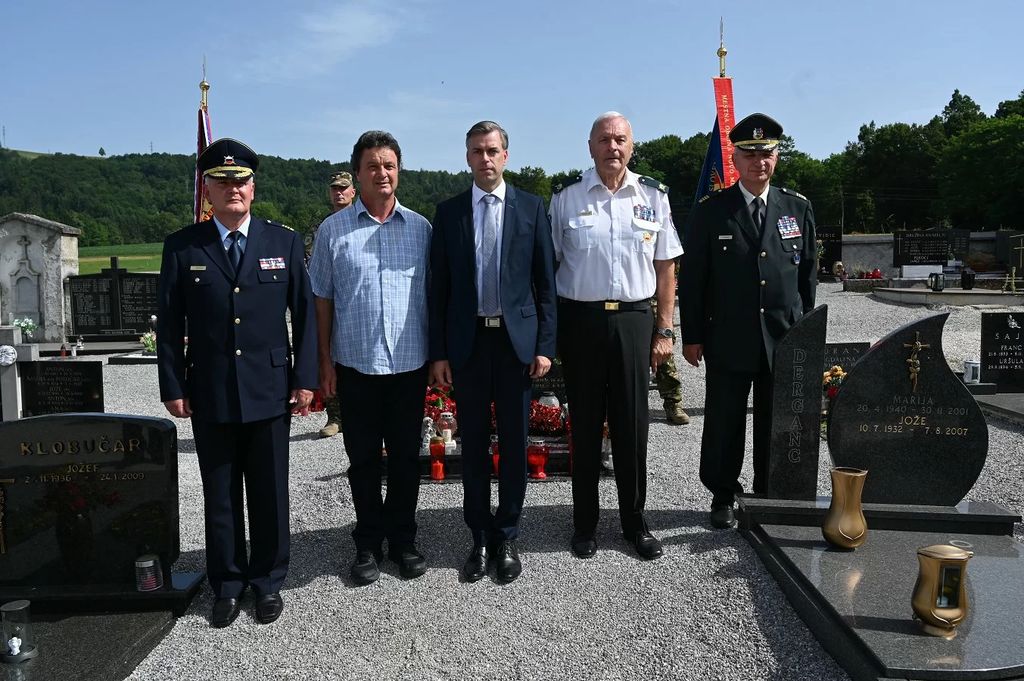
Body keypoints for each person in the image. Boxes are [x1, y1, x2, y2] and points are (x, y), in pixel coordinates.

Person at [157, 138, 317, 627]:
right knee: (221, 493)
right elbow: (169, 323)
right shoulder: (184, 246)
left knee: (269, 491)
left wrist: (305, 379)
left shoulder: (282, 242)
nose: (233, 189)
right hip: (211, 389)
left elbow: (305, 317)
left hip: (269, 387)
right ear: (206, 190)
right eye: (221, 181)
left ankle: (267, 581)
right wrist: (173, 385)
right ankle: (227, 583)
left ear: (253, 187)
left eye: (241, 181)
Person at [549, 112, 683, 560]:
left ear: (632, 146)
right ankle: (584, 523)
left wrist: (665, 328)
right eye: (604, 140)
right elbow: (548, 266)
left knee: (632, 426)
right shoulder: (566, 197)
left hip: (633, 320)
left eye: (620, 139)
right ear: (590, 146)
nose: (613, 147)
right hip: (581, 321)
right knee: (585, 425)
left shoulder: (653, 196)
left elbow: (665, 267)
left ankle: (634, 522)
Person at [428, 121, 557, 583]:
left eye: (492, 150)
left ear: (506, 155)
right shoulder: (449, 213)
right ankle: (479, 535)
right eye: (477, 151)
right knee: (475, 444)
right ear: (467, 157)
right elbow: (438, 290)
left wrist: (544, 345)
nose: (485, 158)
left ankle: (507, 535)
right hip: (468, 344)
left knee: (515, 444)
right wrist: (439, 352)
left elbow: (545, 284)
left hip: (513, 344)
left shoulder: (531, 207)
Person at [679, 113, 817, 529]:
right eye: (751, 154)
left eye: (767, 153)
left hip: (783, 336)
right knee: (725, 420)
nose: (760, 161)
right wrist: (693, 335)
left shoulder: (797, 207)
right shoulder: (712, 211)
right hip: (729, 334)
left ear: (777, 158)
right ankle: (723, 494)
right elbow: (694, 279)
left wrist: (806, 332)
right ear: (735, 160)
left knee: (776, 419)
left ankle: (769, 489)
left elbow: (807, 276)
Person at [308, 131, 432, 586]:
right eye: (373, 166)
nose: (382, 173)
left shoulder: (421, 229)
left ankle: (403, 540)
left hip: (409, 364)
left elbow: (434, 297)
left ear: (399, 170)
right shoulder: (333, 230)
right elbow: (321, 299)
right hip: (355, 366)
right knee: (361, 460)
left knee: (405, 459)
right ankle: (366, 542)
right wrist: (323, 361)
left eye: (389, 165)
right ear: (357, 174)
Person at [312, 171, 356, 439]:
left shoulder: (360, 221)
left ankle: (353, 415)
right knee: (328, 357)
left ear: (353, 192)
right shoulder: (326, 226)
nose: (339, 193)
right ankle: (335, 415)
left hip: (355, 305)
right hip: (332, 303)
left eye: (343, 188)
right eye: (335, 189)